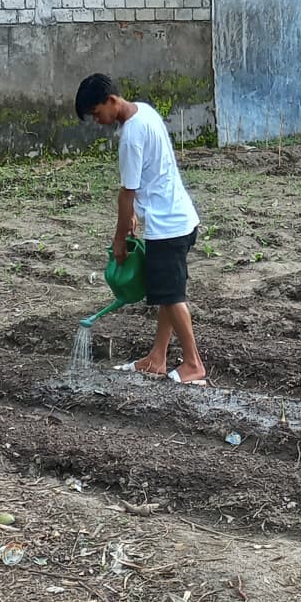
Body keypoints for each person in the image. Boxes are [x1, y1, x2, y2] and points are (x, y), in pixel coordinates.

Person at [74, 73, 206, 384]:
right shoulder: (144, 110)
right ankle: (157, 358)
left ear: (111, 101)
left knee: (171, 296)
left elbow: (126, 193)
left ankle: (193, 364)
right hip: (178, 217)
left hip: (168, 226)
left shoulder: (130, 137)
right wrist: (134, 214)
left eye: (96, 113)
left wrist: (120, 238)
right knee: (166, 293)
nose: (98, 121)